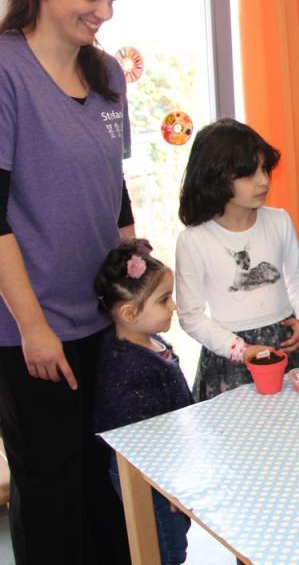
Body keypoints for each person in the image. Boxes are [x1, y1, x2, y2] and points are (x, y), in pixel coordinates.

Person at [0, 0, 134, 562]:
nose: (103, 12)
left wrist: (136, 282)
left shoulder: (105, 71)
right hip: (32, 326)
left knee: (105, 477)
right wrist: (33, 326)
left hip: (104, 314)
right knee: (51, 489)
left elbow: (117, 186)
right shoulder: (5, 71)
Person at [176, 119, 299, 401]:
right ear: (215, 177)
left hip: (288, 348)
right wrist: (239, 349)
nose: (263, 180)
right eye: (249, 173)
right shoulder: (194, 240)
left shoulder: (279, 221)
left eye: (264, 168)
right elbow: (190, 315)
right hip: (230, 361)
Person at [93, 239, 192, 564]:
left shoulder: (151, 342)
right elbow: (139, 444)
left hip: (166, 468)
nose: (173, 306)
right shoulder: (126, 367)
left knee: (175, 542)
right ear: (129, 312)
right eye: (164, 299)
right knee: (163, 552)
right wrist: (169, 485)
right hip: (148, 479)